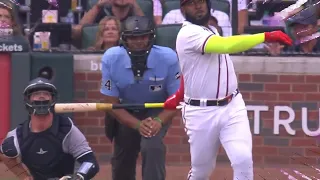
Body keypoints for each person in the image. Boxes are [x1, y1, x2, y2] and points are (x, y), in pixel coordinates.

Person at [163, 0, 293, 179]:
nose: (198, 6)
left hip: (232, 105)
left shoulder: (212, 29)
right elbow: (226, 46)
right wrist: (266, 36)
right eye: (191, 3)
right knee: (202, 171)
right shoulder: (188, 33)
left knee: (243, 159)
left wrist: (179, 94)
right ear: (183, 9)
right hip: (201, 112)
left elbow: (191, 69)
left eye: (200, 1)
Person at [100, 15, 181, 180]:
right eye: (133, 37)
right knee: (123, 156)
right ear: (125, 38)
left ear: (151, 37)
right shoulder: (110, 58)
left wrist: (158, 121)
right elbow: (110, 102)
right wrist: (137, 124)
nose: (138, 41)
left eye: (143, 36)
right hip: (124, 109)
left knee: (152, 146)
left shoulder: (169, 58)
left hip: (156, 110)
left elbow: (177, 98)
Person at [0, 77, 100, 180]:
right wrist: (24, 176)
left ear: (53, 99)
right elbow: (4, 155)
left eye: (46, 94)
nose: (42, 97)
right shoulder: (18, 135)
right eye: (36, 94)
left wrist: (78, 177)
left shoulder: (67, 129)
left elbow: (90, 162)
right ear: (28, 100)